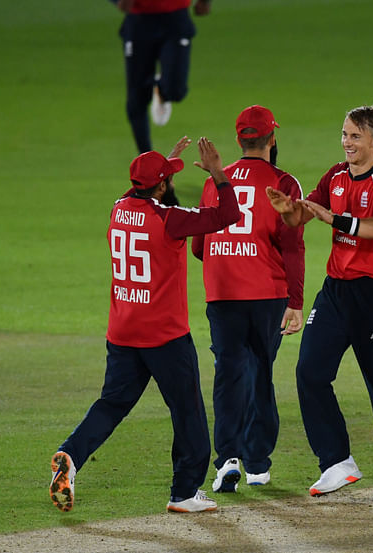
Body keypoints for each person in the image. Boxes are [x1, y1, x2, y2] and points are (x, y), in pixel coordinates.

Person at [49, 137, 241, 513]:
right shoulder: (170, 220)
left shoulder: (118, 209)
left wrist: (160, 168)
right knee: (188, 413)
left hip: (122, 333)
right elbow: (227, 215)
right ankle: (184, 492)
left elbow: (136, 196)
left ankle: (70, 456)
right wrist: (218, 172)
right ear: (162, 186)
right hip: (165, 337)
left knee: (112, 403)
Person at [266, 106, 373, 501]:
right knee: (310, 372)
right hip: (336, 292)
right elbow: (305, 215)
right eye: (344, 135)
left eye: (354, 136)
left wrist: (336, 219)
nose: (346, 142)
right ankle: (337, 462)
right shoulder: (334, 175)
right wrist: (289, 212)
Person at [191, 105, 305, 493]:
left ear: (239, 139)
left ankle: (227, 460)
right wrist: (296, 299)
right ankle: (257, 463)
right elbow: (293, 246)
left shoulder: (214, 182)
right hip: (266, 293)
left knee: (228, 373)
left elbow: (198, 247)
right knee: (260, 372)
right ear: (272, 139)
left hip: (222, 292)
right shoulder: (284, 182)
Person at [111, 0, 212, 153]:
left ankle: (161, 89)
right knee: (136, 99)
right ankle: (146, 160)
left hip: (175, 18)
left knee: (176, 90)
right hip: (138, 22)